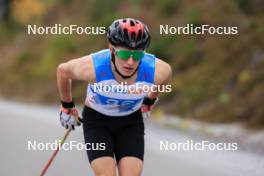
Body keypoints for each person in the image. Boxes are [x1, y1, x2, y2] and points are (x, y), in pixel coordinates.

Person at [57, 18, 172, 176]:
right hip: (97, 121)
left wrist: (150, 100)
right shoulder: (92, 68)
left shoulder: (156, 70)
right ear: (112, 49)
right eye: (124, 53)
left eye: (137, 55)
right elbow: (63, 71)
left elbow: (165, 78)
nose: (131, 62)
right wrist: (67, 106)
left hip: (130, 121)